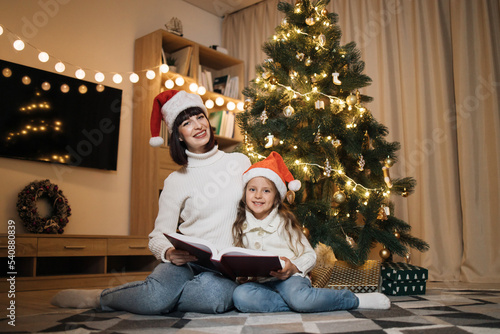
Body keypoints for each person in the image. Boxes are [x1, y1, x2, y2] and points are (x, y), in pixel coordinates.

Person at [51, 89, 251, 314]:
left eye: (200, 117)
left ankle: (156, 297)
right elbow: (158, 235)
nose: (197, 125)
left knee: (214, 298)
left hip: (224, 269)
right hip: (186, 262)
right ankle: (100, 298)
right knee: (156, 297)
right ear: (178, 134)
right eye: (186, 122)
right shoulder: (175, 180)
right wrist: (168, 252)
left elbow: (258, 213)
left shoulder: (240, 162)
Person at [231, 151, 391, 313]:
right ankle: (300, 304)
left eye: (266, 191)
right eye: (252, 189)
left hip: (291, 279)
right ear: (245, 194)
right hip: (261, 285)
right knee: (240, 296)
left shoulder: (285, 224)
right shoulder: (240, 225)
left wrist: (294, 267)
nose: (258, 195)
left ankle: (352, 299)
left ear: (277, 197)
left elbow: (309, 255)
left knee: (299, 297)